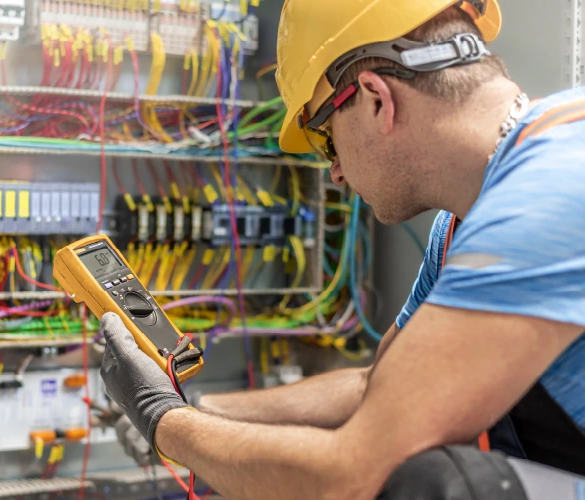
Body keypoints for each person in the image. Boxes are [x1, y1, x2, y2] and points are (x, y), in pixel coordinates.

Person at [99, 0, 585, 498]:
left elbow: (356, 474)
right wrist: (198, 406)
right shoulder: (462, 224)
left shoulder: (552, 189)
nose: (334, 172)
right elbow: (379, 387)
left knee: (439, 485)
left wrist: (162, 417)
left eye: (327, 139)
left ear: (376, 99)